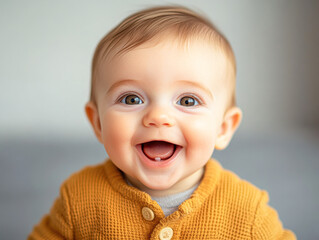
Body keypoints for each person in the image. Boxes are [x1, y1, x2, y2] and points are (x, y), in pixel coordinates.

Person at [28, 5, 296, 239]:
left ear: (223, 129)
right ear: (98, 123)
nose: (158, 116)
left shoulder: (247, 210)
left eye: (188, 101)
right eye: (132, 99)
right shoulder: (79, 197)